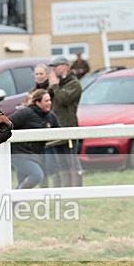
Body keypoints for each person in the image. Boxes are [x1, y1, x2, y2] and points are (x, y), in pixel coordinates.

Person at [8, 89, 59, 189]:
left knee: (22, 182)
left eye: (50, 100)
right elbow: (7, 123)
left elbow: (59, 131)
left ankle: (14, 202)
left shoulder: (51, 116)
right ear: (37, 102)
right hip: (19, 153)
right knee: (37, 176)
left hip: (35, 154)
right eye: (46, 101)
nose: (49, 103)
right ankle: (16, 197)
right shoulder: (26, 113)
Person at [48, 55, 83, 187]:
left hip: (68, 127)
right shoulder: (57, 84)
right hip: (55, 127)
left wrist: (56, 86)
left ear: (65, 67)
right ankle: (63, 189)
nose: (54, 70)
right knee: (60, 163)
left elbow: (64, 99)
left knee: (71, 161)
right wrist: (52, 87)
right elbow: (48, 98)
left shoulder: (74, 84)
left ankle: (76, 189)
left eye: (56, 67)